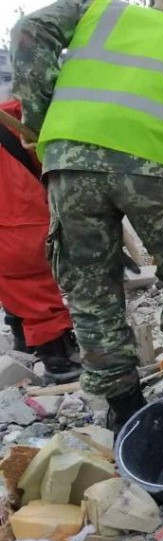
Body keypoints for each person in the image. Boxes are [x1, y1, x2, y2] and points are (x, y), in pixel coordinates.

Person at [11, 0, 163, 431]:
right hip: (154, 169)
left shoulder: (97, 11)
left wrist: (40, 114)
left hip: (69, 164)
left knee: (93, 289)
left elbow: (28, 30)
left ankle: (125, 408)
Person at [0, 99, 81, 383]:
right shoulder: (20, 117)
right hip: (16, 215)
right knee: (29, 280)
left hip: (13, 214)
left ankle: (25, 341)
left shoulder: (13, 115)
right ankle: (56, 357)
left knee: (14, 281)